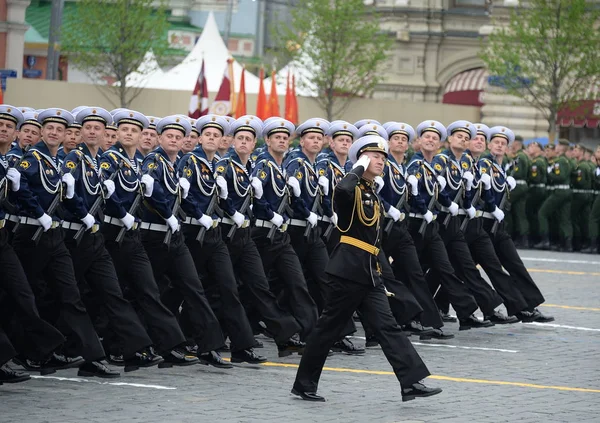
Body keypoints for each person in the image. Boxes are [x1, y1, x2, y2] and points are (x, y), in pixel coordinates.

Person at [291, 134, 442, 402]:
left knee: (388, 326)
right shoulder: (352, 191)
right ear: (361, 159)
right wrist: (357, 167)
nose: (381, 160)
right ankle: (304, 384)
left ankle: (410, 382)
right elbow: (342, 191)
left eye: (383, 157)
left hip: (369, 271)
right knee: (327, 330)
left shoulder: (372, 191)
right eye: (374, 156)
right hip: (348, 271)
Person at [11, 108, 113, 377]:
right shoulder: (31, 159)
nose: (55, 133)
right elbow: (20, 191)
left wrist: (83, 213)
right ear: (42, 131)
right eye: (50, 129)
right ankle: (28, 353)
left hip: (55, 236)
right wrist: (38, 213)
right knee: (26, 297)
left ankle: (92, 357)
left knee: (71, 295)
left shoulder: (58, 162)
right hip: (31, 235)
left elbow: (68, 196)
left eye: (60, 129)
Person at [61, 107, 161, 372]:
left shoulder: (97, 161)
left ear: (107, 133)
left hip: (94, 238)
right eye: (88, 128)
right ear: (81, 131)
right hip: (73, 235)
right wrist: (81, 210)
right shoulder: (75, 157)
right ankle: (57, 349)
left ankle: (133, 349)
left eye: (98, 128)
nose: (93, 132)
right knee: (67, 296)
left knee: (112, 294)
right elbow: (66, 194)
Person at [99, 109, 198, 368]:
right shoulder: (111, 159)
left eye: (135, 131)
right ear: (117, 133)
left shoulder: (137, 164)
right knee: (115, 293)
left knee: (147, 291)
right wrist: (121, 211)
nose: (130, 134)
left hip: (131, 235)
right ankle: (113, 347)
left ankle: (165, 346)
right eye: (125, 130)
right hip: (112, 234)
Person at [139, 115, 232, 368]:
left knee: (193, 288)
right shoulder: (153, 160)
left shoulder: (175, 164)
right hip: (153, 235)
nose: (174, 140)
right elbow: (151, 189)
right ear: (159, 138)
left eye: (179, 137)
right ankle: (146, 345)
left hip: (174, 236)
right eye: (169, 136)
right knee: (151, 291)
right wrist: (169, 215)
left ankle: (208, 347)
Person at [177, 114, 266, 364]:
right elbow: (186, 196)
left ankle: (241, 346)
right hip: (194, 232)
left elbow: (222, 197)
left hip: (214, 234)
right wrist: (199, 215)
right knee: (190, 291)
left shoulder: (218, 164)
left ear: (221, 141)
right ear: (200, 138)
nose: (212, 139)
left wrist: (232, 212)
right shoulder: (190, 160)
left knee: (228, 287)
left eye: (216, 136)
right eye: (208, 135)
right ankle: (189, 340)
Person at [215, 116, 306, 356]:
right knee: (224, 289)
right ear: (233, 142)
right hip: (227, 234)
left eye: (248, 139)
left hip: (246, 235)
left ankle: (283, 337)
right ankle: (206, 338)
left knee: (258, 286)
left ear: (254, 143)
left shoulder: (250, 167)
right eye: (240, 138)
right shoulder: (226, 165)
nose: (244, 143)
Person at [406, 120, 492, 330]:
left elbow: (442, 191)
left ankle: (464, 312)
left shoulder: (441, 164)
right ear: (418, 141)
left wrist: (450, 203)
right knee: (412, 272)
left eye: (435, 138)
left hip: (435, 223)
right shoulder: (419, 164)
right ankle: (408, 314)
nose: (431, 141)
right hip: (416, 225)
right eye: (427, 137)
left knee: (445, 269)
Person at [251, 119, 319, 343]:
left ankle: (311, 335)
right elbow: (257, 197)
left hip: (280, 235)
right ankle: (241, 328)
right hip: (262, 234)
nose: (281, 140)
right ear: (267, 141)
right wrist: (271, 214)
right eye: (276, 137)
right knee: (253, 286)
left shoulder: (281, 168)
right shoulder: (263, 165)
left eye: (284, 138)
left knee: (297, 282)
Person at [477, 126, 554, 323]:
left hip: (498, 225)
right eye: (496, 142)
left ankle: (529, 306)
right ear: (489, 144)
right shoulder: (485, 164)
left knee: (515, 264)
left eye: (503, 143)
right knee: (466, 269)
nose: (500, 146)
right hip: (483, 222)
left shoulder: (502, 168)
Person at [534, 139, 573, 250]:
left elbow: (560, 177)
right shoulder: (564, 160)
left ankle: (545, 241)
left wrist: (548, 173)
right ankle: (567, 244)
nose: (556, 147)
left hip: (560, 191)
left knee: (542, 213)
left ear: (561, 148)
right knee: (564, 218)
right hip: (565, 191)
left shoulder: (560, 161)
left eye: (558, 145)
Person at [507, 136, 530, 247]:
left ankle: (511, 235)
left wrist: (508, 173)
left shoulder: (520, 156)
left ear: (517, 144)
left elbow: (517, 172)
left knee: (505, 205)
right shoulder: (522, 155)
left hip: (518, 185)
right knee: (519, 213)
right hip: (521, 185)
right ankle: (522, 238)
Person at [525, 141, 547, 246]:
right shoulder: (538, 160)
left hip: (536, 189)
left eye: (534, 146)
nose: (530, 148)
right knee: (534, 214)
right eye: (530, 146)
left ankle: (534, 238)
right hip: (539, 189)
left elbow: (535, 178)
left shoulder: (537, 162)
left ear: (539, 150)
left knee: (531, 214)